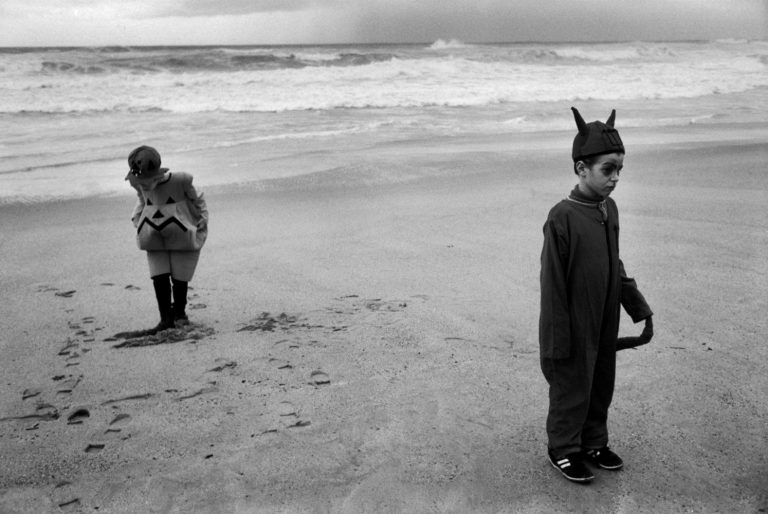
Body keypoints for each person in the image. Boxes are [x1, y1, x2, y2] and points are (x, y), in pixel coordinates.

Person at [539, 107, 653, 483]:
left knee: (601, 378)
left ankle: (593, 441)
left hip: (606, 314)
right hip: (572, 318)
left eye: (620, 168)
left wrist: (633, 303)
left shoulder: (610, 208)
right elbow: (552, 283)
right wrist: (557, 338)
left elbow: (614, 260)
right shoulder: (562, 217)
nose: (616, 177)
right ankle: (563, 448)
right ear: (581, 168)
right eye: (608, 169)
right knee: (573, 382)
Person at [125, 145, 208, 334]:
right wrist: (136, 218)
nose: (145, 185)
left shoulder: (181, 180)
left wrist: (203, 219)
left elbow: (198, 199)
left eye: (148, 181)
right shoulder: (139, 184)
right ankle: (165, 319)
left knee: (180, 276)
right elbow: (142, 200)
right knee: (159, 276)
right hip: (152, 234)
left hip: (180, 233)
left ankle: (179, 314)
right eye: (141, 181)